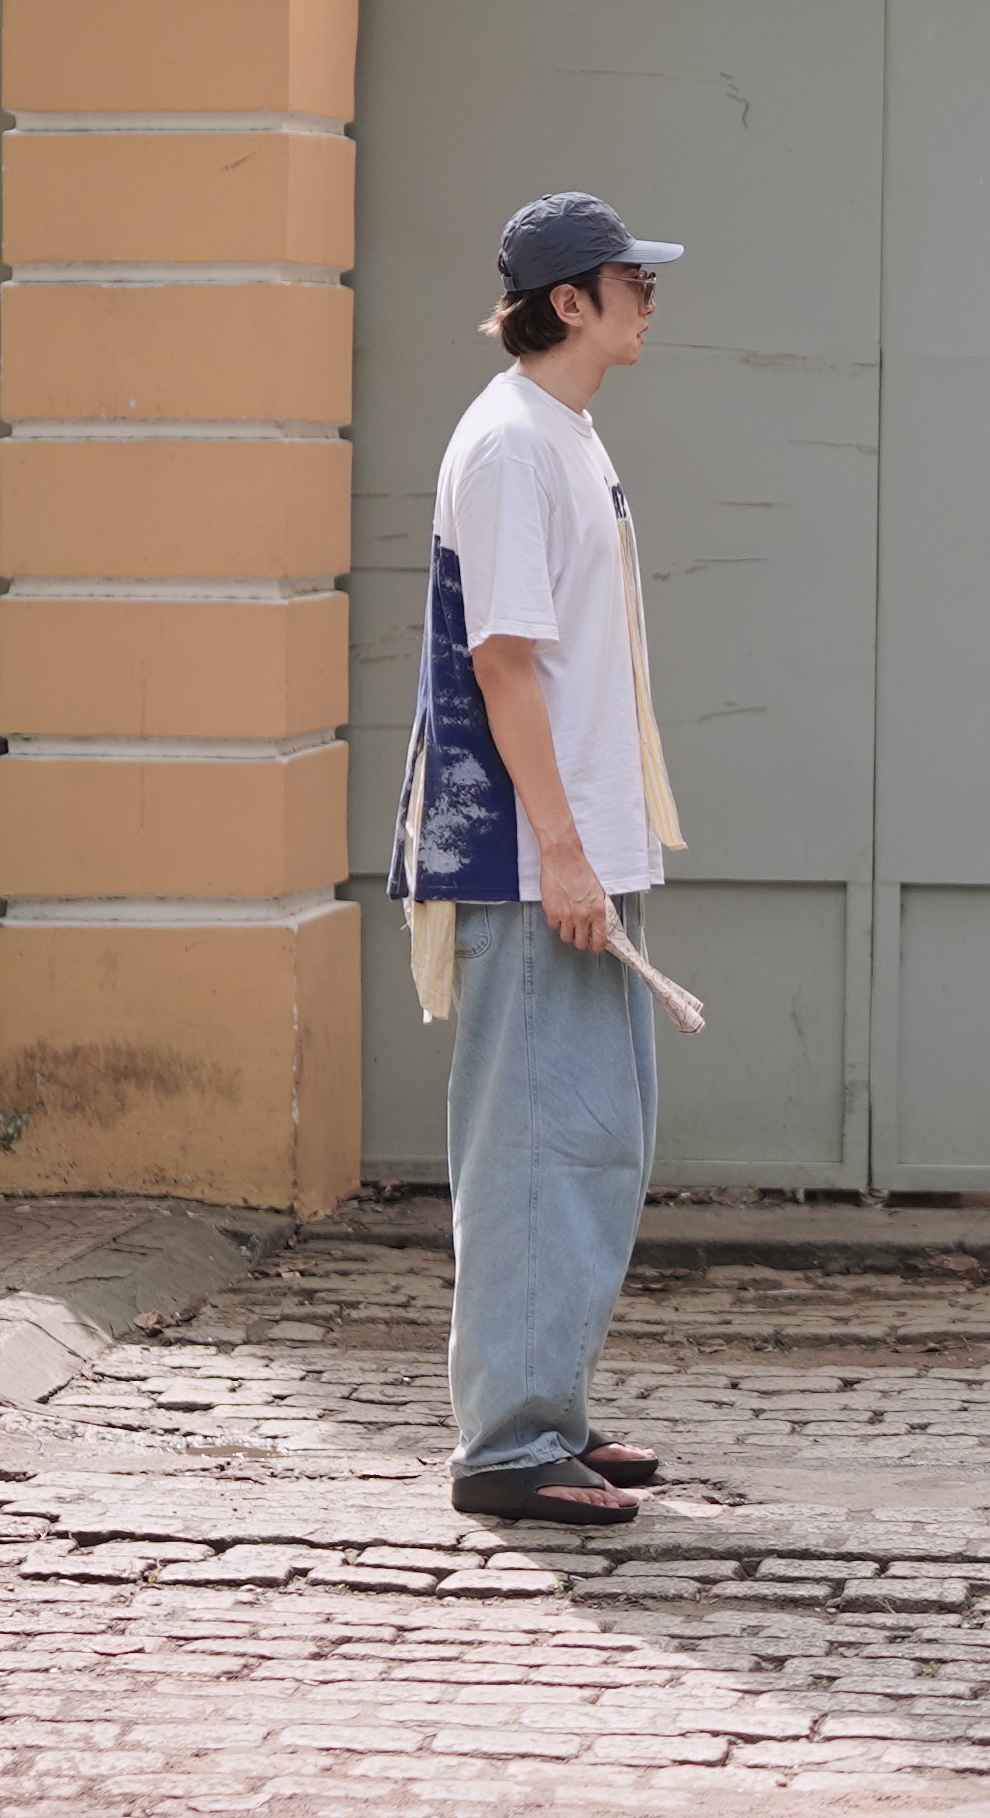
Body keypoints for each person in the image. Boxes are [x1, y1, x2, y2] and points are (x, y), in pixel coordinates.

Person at [388, 192, 689, 1527]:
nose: (649, 298)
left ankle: (546, 1409)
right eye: (632, 279)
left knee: (591, 1143)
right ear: (568, 300)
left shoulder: (565, 436)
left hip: (574, 854)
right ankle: (506, 1446)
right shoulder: (512, 446)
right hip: (529, 862)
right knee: (530, 1149)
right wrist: (561, 852)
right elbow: (500, 660)